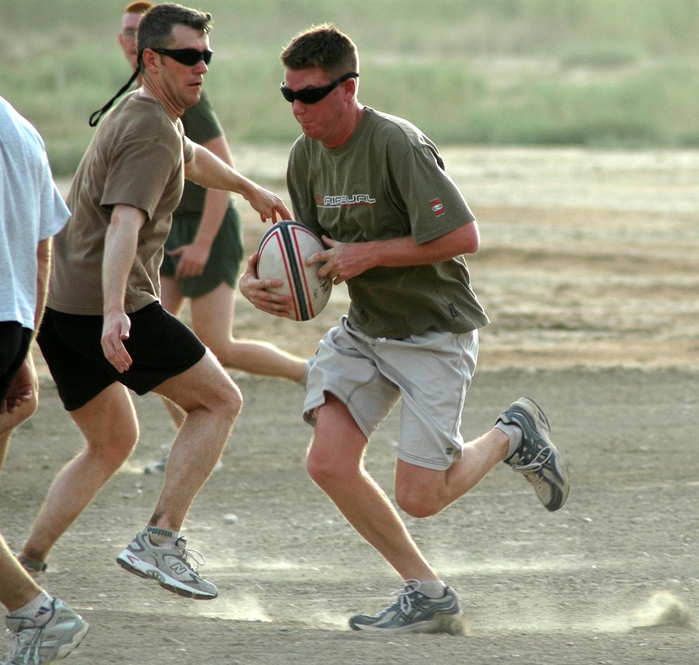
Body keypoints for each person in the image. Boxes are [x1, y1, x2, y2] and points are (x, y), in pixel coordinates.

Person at [239, 23, 570, 632]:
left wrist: (369, 255)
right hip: (366, 329)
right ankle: (427, 592)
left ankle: (512, 435)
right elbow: (306, 248)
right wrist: (257, 276)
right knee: (328, 463)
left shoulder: (397, 144)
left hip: (433, 330)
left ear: (348, 89)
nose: (298, 109)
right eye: (288, 96)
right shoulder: (304, 155)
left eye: (310, 95)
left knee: (421, 497)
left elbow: (464, 237)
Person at [7, 2, 292, 602]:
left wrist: (246, 188)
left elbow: (192, 156)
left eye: (206, 57)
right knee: (219, 401)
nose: (200, 67)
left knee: (111, 442)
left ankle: (25, 563)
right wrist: (116, 311)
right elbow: (125, 224)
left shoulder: (149, 113)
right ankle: (161, 539)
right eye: (188, 57)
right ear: (151, 60)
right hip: (108, 307)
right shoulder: (148, 127)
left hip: (62, 309)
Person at [116, 1, 309, 475]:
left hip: (208, 225)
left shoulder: (183, 95)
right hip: (170, 233)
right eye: (124, 31)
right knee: (151, 339)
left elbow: (220, 166)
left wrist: (203, 243)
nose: (127, 38)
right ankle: (193, 442)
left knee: (215, 345)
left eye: (136, 30)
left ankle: (309, 373)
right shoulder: (140, 94)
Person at [0, 0, 90, 662]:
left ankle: (35, 611)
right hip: (4, 323)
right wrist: (24, 347)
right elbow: (43, 248)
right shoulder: (20, 125)